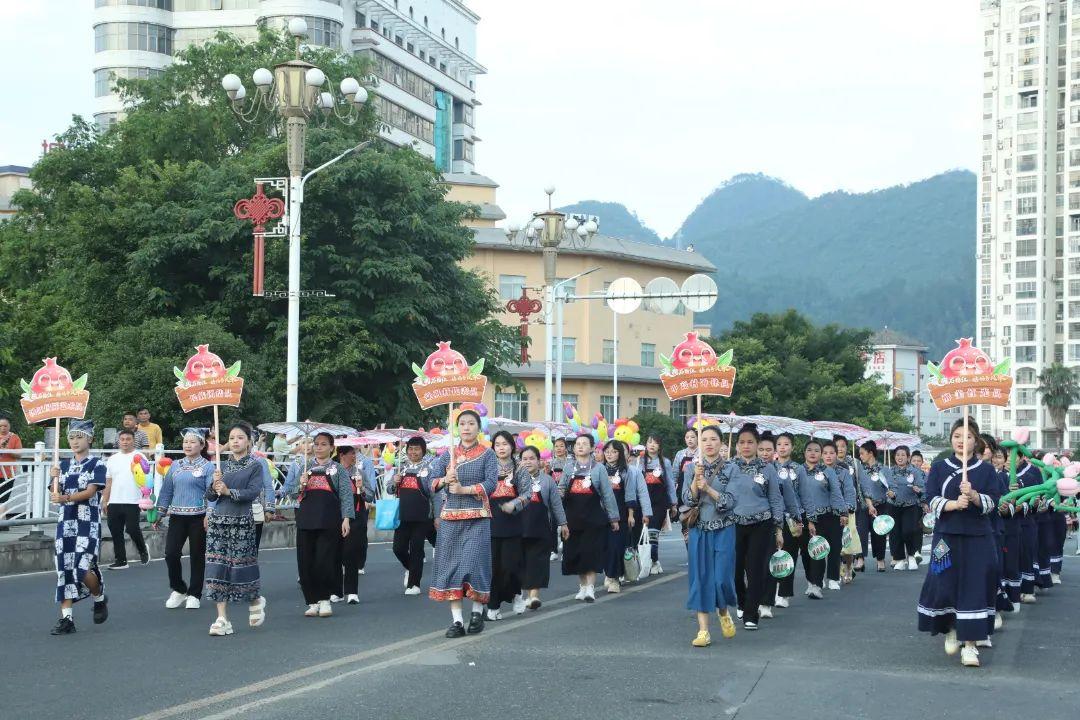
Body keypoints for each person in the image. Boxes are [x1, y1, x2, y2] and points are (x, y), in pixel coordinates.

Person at [917, 417, 1000, 667]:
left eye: (968, 437)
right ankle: (951, 627)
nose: (962, 441)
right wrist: (953, 504)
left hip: (978, 538)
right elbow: (931, 497)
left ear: (976, 441)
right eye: (957, 436)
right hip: (946, 536)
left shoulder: (986, 470)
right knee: (943, 583)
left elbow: (993, 502)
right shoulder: (939, 467)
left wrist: (973, 496)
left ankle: (970, 645)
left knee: (975, 587)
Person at [423, 410, 499, 638]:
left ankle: (476, 612)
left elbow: (491, 483)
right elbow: (430, 482)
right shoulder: (447, 455)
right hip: (450, 518)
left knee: (474, 564)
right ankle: (457, 621)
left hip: (477, 517)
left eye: (471, 423)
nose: (466, 427)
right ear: (457, 428)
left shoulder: (487, 454)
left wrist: (464, 489)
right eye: (462, 423)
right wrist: (444, 480)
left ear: (478, 427)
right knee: (451, 567)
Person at [204, 422, 267, 636]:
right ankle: (222, 618)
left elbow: (252, 492)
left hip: (241, 522)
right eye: (231, 438)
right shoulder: (221, 466)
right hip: (218, 523)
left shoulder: (255, 466)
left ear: (248, 441)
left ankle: (255, 599)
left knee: (241, 567)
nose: (235, 441)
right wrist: (214, 485)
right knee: (217, 567)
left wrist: (229, 491)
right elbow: (210, 496)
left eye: (240, 437)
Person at [49, 420, 109, 635]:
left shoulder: (97, 464)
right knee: (64, 568)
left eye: (79, 437)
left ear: (89, 439)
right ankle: (67, 619)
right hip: (65, 522)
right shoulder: (62, 465)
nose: (75, 441)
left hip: (87, 522)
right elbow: (54, 493)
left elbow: (90, 492)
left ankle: (99, 596)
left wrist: (65, 497)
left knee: (81, 567)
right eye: (71, 438)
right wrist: (53, 478)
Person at [286, 432, 354, 618]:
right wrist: (300, 485)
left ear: (332, 448)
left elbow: (346, 495)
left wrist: (346, 518)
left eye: (323, 444)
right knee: (305, 562)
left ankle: (324, 600)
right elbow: (290, 493)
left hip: (329, 521)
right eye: (316, 444)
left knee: (324, 561)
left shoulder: (338, 469)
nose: (318, 447)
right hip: (306, 520)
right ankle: (312, 601)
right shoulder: (304, 467)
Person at [683, 425, 738, 647]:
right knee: (701, 578)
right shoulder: (692, 468)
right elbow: (687, 500)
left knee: (721, 578)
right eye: (704, 439)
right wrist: (696, 482)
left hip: (724, 528)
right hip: (699, 530)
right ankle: (703, 630)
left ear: (721, 442)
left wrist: (707, 488)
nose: (708, 443)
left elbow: (730, 502)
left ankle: (723, 611)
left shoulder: (732, 468)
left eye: (713, 439)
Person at [727, 424, 785, 630]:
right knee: (735, 570)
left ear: (757, 445)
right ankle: (742, 602)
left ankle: (751, 614)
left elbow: (775, 499)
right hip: (733, 524)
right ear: (736, 445)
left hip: (761, 524)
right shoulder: (729, 467)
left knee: (755, 570)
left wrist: (779, 528)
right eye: (742, 442)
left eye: (750, 442)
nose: (746, 446)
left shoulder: (767, 468)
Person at [155, 428, 214, 609]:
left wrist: (209, 514)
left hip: (199, 517)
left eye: (192, 442)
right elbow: (167, 490)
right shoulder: (175, 465)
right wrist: (159, 513)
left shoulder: (208, 467)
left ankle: (195, 594)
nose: (188, 445)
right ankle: (179, 589)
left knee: (197, 556)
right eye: (185, 442)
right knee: (171, 553)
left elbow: (212, 493)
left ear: (202, 445)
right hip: (177, 517)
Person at [560, 434, 619, 603]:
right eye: (578, 444)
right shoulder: (568, 467)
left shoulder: (599, 468)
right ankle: (583, 586)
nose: (580, 446)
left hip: (594, 519)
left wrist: (613, 518)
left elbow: (607, 494)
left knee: (591, 553)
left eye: (584, 444)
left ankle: (590, 588)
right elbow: (561, 488)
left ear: (592, 448)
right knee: (577, 553)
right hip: (573, 519)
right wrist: (558, 494)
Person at [485, 431, 531, 620]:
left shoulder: (520, 469)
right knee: (493, 569)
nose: (501, 448)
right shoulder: (487, 468)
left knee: (510, 566)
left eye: (505, 444)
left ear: (512, 446)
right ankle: (493, 606)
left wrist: (514, 504)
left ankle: (517, 593)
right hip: (490, 523)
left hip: (512, 524)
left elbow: (527, 494)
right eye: (497, 444)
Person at [757, 432, 802, 617]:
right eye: (761, 449)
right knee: (755, 564)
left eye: (769, 449)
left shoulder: (782, 472)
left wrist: (798, 519)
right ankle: (753, 599)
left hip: (778, 521)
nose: (765, 453)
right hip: (752, 522)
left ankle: (773, 599)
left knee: (778, 559)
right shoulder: (746, 470)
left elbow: (790, 498)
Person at [518, 445, 567, 609]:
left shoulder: (547, 480)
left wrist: (563, 524)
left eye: (532, 458)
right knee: (521, 562)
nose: (528, 462)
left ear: (539, 461)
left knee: (538, 562)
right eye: (524, 459)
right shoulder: (514, 480)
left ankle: (533, 596)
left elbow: (556, 505)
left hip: (541, 528)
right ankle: (522, 595)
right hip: (519, 528)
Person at [599, 439, 650, 594]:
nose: (610, 454)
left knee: (616, 547)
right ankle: (609, 573)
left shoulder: (626, 471)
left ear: (620, 454)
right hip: (602, 515)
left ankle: (614, 579)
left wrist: (631, 515)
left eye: (614, 452)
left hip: (621, 514)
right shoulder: (599, 470)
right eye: (607, 451)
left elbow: (630, 494)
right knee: (605, 547)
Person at [389, 436, 437, 596]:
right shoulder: (401, 468)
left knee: (417, 549)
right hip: (402, 515)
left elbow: (435, 494)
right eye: (410, 449)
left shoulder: (429, 469)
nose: (413, 452)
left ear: (423, 451)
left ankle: (414, 584)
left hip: (422, 516)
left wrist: (437, 516)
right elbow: (389, 489)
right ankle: (410, 568)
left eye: (417, 449)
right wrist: (394, 482)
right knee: (398, 548)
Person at [102, 429, 150, 569]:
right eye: (122, 439)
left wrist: (146, 497)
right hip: (114, 500)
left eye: (128, 439)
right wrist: (105, 500)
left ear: (133, 441)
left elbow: (147, 479)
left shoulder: (139, 457)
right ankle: (121, 561)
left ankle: (143, 549)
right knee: (115, 530)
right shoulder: (112, 459)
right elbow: (108, 482)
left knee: (132, 529)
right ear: (118, 441)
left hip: (133, 500)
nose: (125, 442)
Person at [772, 432, 807, 607]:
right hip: (772, 516)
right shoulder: (769, 467)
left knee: (788, 554)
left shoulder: (798, 469)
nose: (782, 447)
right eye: (779, 444)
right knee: (772, 554)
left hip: (792, 516)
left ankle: (784, 594)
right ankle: (771, 590)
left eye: (786, 444)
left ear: (792, 447)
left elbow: (803, 494)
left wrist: (801, 518)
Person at [336, 444, 374, 603]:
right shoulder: (334, 472)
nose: (354, 456)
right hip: (335, 515)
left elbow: (370, 495)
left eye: (355, 453)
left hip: (356, 516)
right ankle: (336, 590)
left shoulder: (360, 473)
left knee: (351, 552)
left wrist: (362, 488)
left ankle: (352, 592)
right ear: (342, 455)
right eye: (351, 453)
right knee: (335, 553)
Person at [812, 441, 849, 593]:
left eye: (831, 453)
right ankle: (818, 579)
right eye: (825, 453)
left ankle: (833, 578)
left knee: (835, 547)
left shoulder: (843, 472)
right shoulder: (813, 471)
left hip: (836, 514)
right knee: (819, 547)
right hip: (818, 514)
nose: (828, 456)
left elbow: (847, 493)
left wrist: (845, 512)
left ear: (836, 454)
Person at [640, 434, 677, 574]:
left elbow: (670, 483)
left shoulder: (665, 462)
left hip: (659, 502)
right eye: (649, 442)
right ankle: (648, 561)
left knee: (653, 533)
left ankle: (653, 560)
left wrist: (673, 503)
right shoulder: (639, 462)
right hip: (642, 503)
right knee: (643, 534)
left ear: (659, 446)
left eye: (655, 442)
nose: (652, 445)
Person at [886, 445, 926, 571]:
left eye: (903, 455)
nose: (900, 457)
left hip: (911, 506)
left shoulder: (914, 471)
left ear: (908, 457)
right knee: (895, 533)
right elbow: (886, 487)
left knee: (908, 531)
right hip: (894, 506)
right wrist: (890, 493)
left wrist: (918, 490)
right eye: (898, 455)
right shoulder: (890, 471)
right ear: (894, 457)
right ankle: (900, 559)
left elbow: (922, 489)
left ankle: (912, 556)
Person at [858, 440, 892, 572]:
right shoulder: (860, 470)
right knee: (861, 532)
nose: (860, 456)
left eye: (862, 453)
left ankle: (880, 559)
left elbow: (892, 487)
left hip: (880, 505)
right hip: (863, 506)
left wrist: (891, 492)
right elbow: (860, 488)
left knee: (879, 533)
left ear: (870, 453)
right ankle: (860, 559)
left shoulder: (884, 469)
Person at [835, 436, 867, 573]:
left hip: (852, 505)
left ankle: (851, 563)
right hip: (834, 506)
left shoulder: (854, 463)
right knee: (837, 538)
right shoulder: (827, 463)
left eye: (843, 446)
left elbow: (862, 483)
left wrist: (868, 502)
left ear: (847, 448)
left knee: (851, 535)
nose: (840, 449)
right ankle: (841, 566)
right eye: (837, 446)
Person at [1014, 455, 1041, 604]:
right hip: (1007, 524)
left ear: (1021, 458)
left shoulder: (1030, 476)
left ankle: (1028, 589)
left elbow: (1037, 500)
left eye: (1013, 456)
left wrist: (1034, 503)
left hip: (1026, 521)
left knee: (1026, 556)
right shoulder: (998, 475)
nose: (1009, 460)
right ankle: (1013, 592)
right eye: (1006, 456)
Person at [0, 416, 23, 530]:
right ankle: (3, 522)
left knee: (3, 498)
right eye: (0, 426)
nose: (3, 428)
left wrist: (8, 451)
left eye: (5, 426)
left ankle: (2, 522)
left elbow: (19, 454)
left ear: (9, 426)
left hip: (8, 473)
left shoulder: (14, 437)